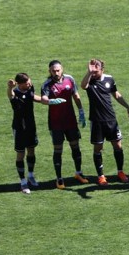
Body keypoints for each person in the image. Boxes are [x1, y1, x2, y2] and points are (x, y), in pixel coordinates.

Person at [7, 73, 65, 194]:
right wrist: (10, 87)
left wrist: (51, 101)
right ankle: (23, 182)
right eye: (26, 83)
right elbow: (10, 95)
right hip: (19, 128)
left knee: (31, 150)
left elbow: (35, 98)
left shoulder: (29, 89)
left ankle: (31, 175)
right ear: (20, 84)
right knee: (20, 154)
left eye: (29, 81)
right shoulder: (15, 93)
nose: (29, 84)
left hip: (31, 126)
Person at [81, 59, 129, 186]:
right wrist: (89, 72)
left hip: (111, 119)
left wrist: (127, 107)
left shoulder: (109, 79)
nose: (94, 73)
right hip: (96, 121)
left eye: (96, 71)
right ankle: (101, 176)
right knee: (98, 148)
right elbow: (83, 86)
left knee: (118, 146)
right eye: (92, 71)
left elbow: (116, 94)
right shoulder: (90, 80)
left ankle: (120, 172)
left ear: (102, 69)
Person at [41, 60, 89, 189]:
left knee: (75, 146)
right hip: (55, 123)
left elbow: (76, 95)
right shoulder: (47, 84)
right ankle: (59, 178)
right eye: (53, 71)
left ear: (62, 69)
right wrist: (51, 101)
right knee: (58, 150)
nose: (56, 73)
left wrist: (81, 111)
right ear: (49, 71)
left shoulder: (69, 79)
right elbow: (43, 99)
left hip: (70, 120)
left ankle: (79, 173)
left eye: (58, 70)